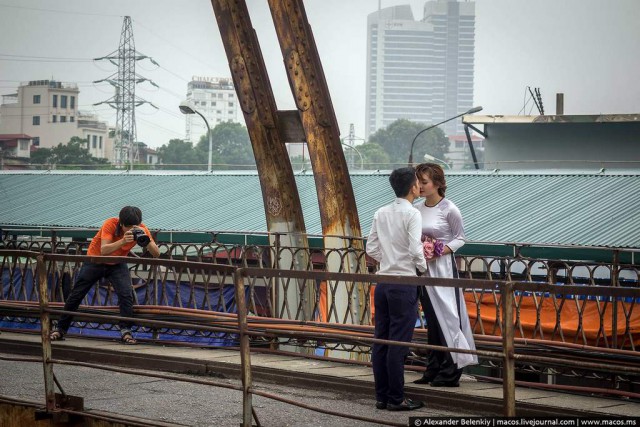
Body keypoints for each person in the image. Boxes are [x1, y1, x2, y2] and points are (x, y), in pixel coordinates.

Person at [50, 206, 160, 345]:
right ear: (121, 223)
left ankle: (126, 331)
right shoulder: (110, 224)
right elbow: (104, 250)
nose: (131, 230)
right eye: (128, 227)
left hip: (117, 263)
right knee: (77, 294)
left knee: (126, 295)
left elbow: (156, 254)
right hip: (95, 260)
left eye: (134, 227)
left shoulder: (141, 228)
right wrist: (123, 241)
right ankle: (60, 329)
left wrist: (146, 240)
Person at [366, 167, 428, 411]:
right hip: (404, 283)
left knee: (381, 340)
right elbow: (415, 249)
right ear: (413, 187)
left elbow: (371, 247)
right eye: (417, 183)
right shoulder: (412, 214)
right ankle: (396, 398)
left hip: (383, 282)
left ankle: (382, 396)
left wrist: (388, 259)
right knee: (398, 343)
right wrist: (420, 268)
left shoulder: (381, 212)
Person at [412, 163, 477, 387]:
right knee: (431, 319)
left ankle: (451, 371)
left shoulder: (450, 208)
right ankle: (433, 368)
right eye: (418, 181)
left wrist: (440, 250)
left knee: (448, 318)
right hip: (423, 269)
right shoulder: (417, 209)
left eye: (424, 182)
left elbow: (460, 238)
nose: (419, 186)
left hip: (444, 268)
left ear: (437, 184)